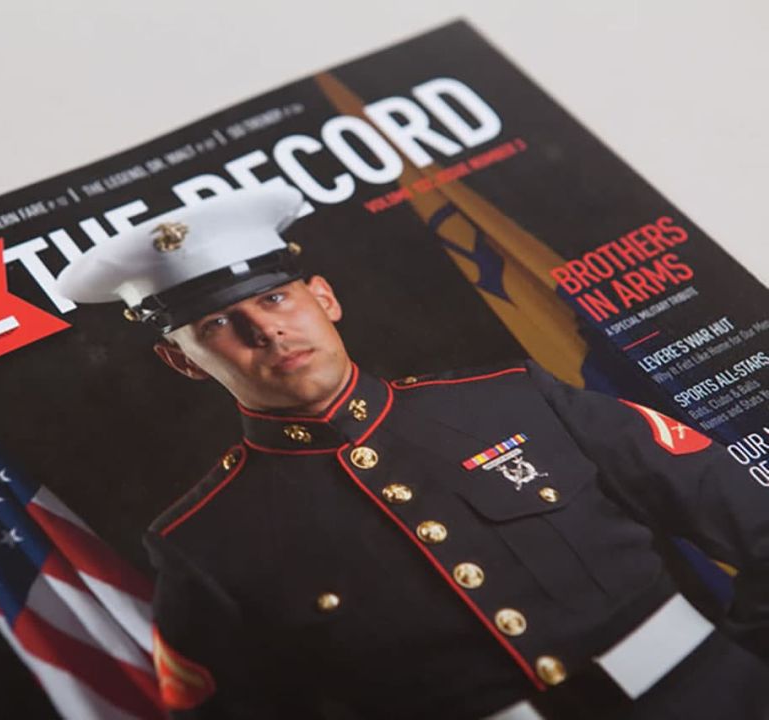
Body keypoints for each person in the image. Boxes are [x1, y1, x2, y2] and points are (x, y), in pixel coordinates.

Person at [57, 185, 769, 719]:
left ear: (324, 298)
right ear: (182, 361)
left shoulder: (517, 400)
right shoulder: (203, 543)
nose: (265, 332)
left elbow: (754, 522)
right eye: (217, 323)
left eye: (275, 299)